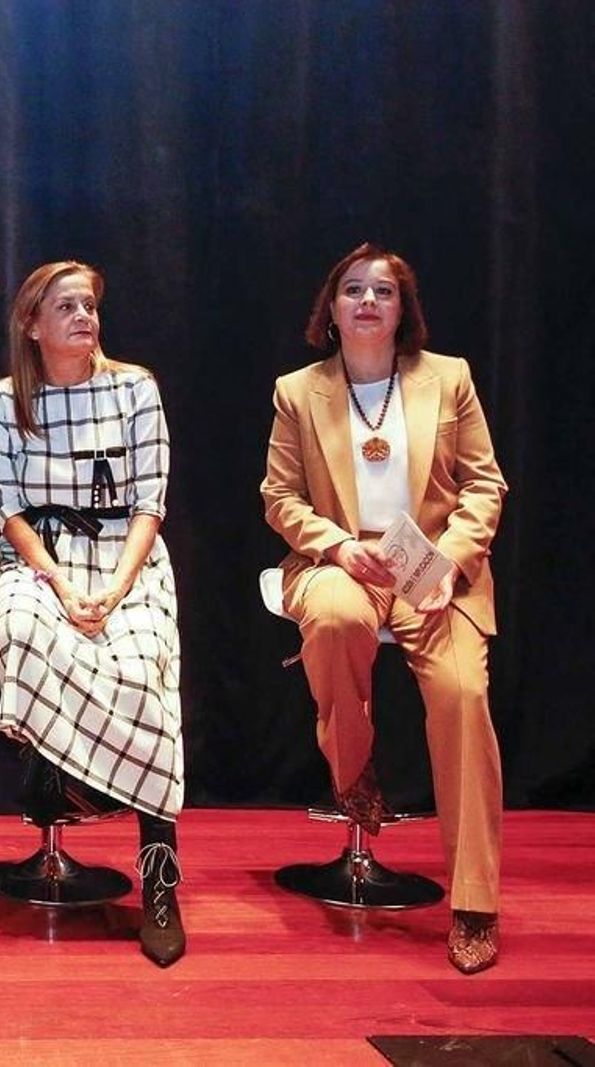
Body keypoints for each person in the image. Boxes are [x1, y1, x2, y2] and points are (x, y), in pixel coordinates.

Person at [261, 242, 507, 974]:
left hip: (434, 565)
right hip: (344, 558)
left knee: (463, 696)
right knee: (334, 617)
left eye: (384, 292)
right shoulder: (297, 390)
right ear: (331, 311)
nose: (368, 301)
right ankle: (352, 769)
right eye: (354, 290)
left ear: (404, 310)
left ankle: (474, 904)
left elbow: (485, 487)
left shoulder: (449, 380)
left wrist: (449, 564)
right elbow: (279, 498)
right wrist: (336, 545)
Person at [0, 261, 187, 966]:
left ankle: (159, 871)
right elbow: (7, 510)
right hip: (45, 557)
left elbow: (150, 503)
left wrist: (119, 586)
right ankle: (58, 778)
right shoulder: (2, 403)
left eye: (90, 305)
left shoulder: (134, 388)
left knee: (146, 663)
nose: (84, 318)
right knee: (24, 626)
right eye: (65, 307)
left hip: (125, 557)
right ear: (33, 326)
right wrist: (62, 585)